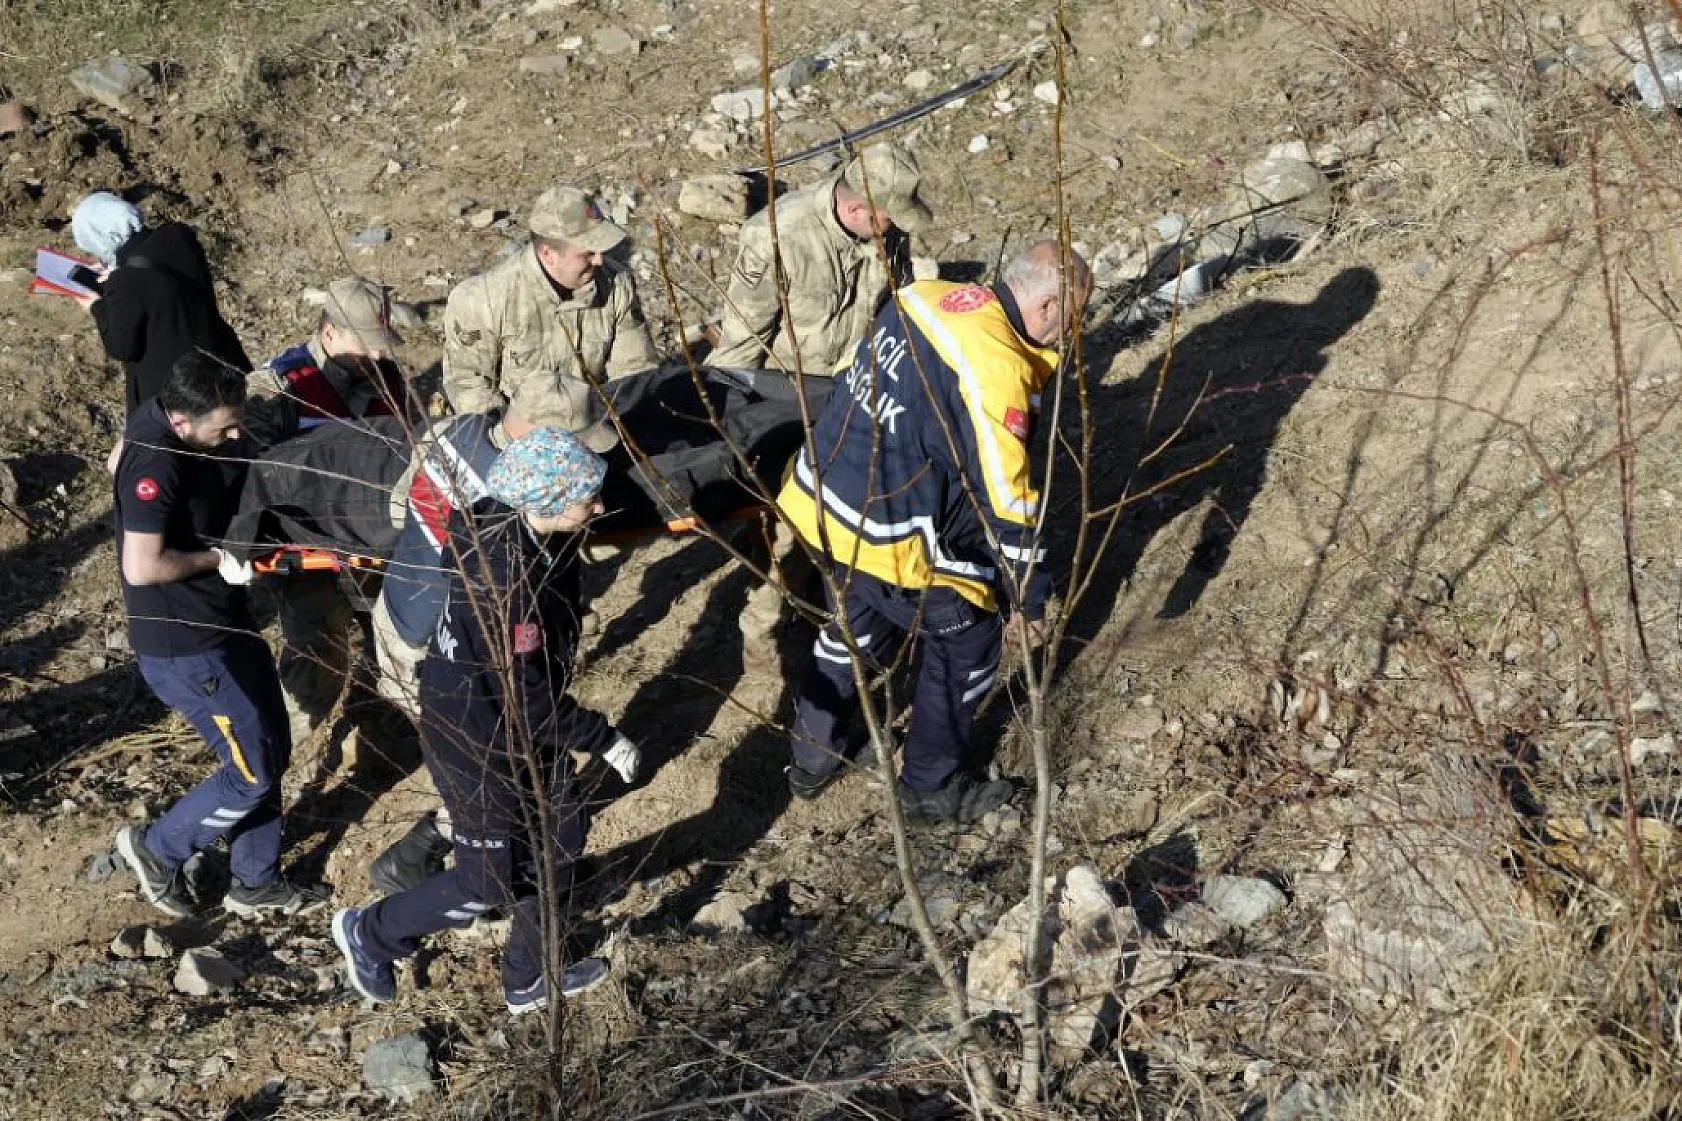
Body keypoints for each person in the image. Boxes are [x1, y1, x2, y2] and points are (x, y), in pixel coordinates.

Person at [775, 240, 1091, 822]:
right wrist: (1031, 594)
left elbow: (853, 376)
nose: (1071, 334)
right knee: (965, 644)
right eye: (1073, 316)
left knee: (852, 627)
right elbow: (1008, 494)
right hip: (892, 535)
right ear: (1047, 304)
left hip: (827, 497)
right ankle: (929, 787)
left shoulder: (923, 298)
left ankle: (812, 758)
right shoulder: (993, 368)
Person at [331, 427, 629, 1015]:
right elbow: (530, 700)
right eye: (586, 497)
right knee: (488, 879)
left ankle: (529, 977)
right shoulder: (508, 581)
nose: (599, 507)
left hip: (514, 723)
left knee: (562, 833)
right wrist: (603, 738)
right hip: (474, 734)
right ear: (544, 501)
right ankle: (373, 933)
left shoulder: (504, 519)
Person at [364, 394, 642, 895]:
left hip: (434, 638)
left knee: (529, 800)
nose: (597, 499)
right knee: (487, 794)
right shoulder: (506, 569)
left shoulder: (487, 477)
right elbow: (518, 693)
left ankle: (522, 896)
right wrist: (600, 737)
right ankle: (427, 882)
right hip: (430, 653)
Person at [708, 143, 933, 665]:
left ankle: (837, 612)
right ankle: (764, 634)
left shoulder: (884, 232)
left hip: (852, 397)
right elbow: (741, 346)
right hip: (786, 403)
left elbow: (889, 309)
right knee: (789, 528)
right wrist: (730, 435)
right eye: (887, 219)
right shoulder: (777, 238)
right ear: (857, 210)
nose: (895, 230)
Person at [110, 351, 314, 918]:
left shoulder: (165, 418)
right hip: (186, 644)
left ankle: (255, 880)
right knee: (251, 772)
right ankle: (158, 848)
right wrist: (218, 557)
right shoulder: (157, 461)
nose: (234, 433)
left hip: (224, 620)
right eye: (223, 426)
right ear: (182, 421)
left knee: (271, 747)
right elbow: (142, 567)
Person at [246, 277, 412, 749]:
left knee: (401, 642)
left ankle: (384, 731)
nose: (379, 358)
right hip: (308, 555)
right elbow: (252, 477)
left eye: (383, 346)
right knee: (317, 664)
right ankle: (261, 767)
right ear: (330, 333)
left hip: (377, 541)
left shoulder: (385, 375)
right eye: (367, 346)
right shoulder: (279, 389)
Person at [441, 186, 657, 448]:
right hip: (517, 446)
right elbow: (469, 386)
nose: (600, 260)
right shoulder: (482, 299)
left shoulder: (616, 284)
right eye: (588, 253)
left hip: (595, 433)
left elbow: (634, 374)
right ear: (548, 254)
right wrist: (515, 444)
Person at [69, 192, 251, 467]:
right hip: (218, 361)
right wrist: (116, 273)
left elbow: (122, 345)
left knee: (167, 461)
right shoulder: (179, 236)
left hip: (175, 389)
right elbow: (159, 287)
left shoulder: (127, 281)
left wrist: (97, 306)